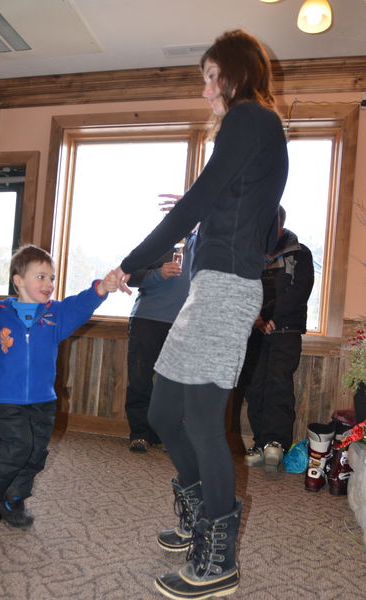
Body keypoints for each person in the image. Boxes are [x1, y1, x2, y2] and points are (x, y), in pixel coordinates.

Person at [114, 29, 289, 600]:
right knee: (165, 409)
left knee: (203, 424)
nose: (208, 90)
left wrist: (131, 264)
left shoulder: (250, 119)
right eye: (205, 80)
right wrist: (206, 223)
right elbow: (253, 214)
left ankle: (219, 561)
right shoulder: (257, 131)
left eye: (214, 77)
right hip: (210, 287)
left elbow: (200, 198)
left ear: (239, 73)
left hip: (226, 290)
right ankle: (196, 520)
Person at [0, 245, 118, 528]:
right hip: (4, 399)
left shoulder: (55, 316)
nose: (49, 284)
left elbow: (80, 305)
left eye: (52, 278)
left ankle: (13, 500)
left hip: (43, 400)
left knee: (35, 454)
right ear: (19, 280)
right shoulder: (0, 316)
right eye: (41, 277)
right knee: (16, 445)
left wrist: (103, 287)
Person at [240, 205, 314, 471]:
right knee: (255, 387)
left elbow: (299, 291)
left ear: (281, 225)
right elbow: (244, 289)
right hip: (255, 330)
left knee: (278, 385)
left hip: (286, 331)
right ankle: (260, 442)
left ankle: (277, 442)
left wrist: (271, 317)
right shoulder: (251, 253)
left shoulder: (300, 253)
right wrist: (258, 319)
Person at [126, 226, 196, 452]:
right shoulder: (156, 240)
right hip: (147, 318)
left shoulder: (205, 243)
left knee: (177, 383)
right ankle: (140, 434)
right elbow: (130, 275)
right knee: (139, 378)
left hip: (184, 322)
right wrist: (158, 273)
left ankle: (171, 435)